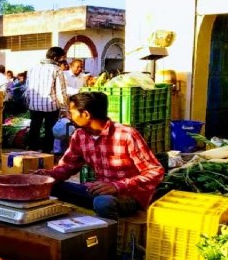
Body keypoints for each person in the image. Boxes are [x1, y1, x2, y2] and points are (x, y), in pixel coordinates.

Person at [36, 92, 164, 219]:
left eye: (71, 112)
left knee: (103, 203)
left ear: (85, 114)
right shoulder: (79, 135)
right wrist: (48, 176)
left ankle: (113, 235)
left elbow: (155, 172)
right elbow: (68, 166)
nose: (68, 116)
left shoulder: (126, 134)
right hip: (98, 191)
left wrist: (117, 186)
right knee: (49, 187)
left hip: (129, 195)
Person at [26, 47, 69, 153]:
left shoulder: (32, 68)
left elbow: (27, 88)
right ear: (55, 58)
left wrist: (28, 102)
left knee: (34, 128)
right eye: (62, 58)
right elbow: (61, 91)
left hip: (34, 105)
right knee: (49, 130)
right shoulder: (56, 69)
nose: (62, 61)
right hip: (51, 105)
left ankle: (32, 151)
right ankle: (46, 153)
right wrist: (64, 107)